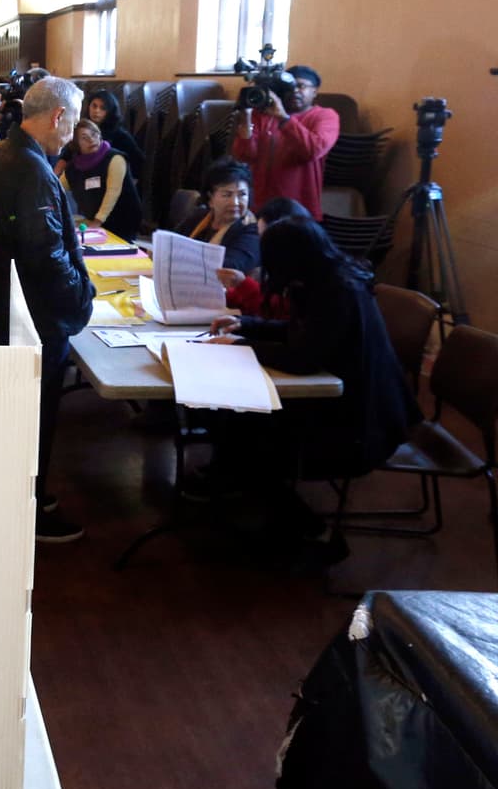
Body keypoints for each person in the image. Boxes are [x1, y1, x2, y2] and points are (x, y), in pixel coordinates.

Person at [204, 217, 419, 560]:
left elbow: (303, 357)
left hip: (361, 425)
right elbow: (300, 333)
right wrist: (246, 324)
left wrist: (243, 344)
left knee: (249, 433)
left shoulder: (338, 293)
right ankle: (250, 499)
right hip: (350, 404)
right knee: (237, 421)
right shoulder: (323, 279)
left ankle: (312, 532)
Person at [0, 76, 95, 543]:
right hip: (34, 317)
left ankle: (32, 494)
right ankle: (30, 512)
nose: (72, 133)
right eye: (73, 121)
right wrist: (79, 302)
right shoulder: (31, 168)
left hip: (8, 308)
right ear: (59, 117)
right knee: (35, 419)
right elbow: (46, 253)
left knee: (23, 419)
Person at [230, 64, 339, 219]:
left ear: (315, 91)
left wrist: (284, 118)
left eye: (301, 86)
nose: (295, 91)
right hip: (260, 206)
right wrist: (246, 117)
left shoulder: (325, 116)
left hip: (300, 209)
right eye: (290, 87)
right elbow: (244, 155)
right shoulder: (264, 116)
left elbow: (313, 149)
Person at [216, 196, 311, 315]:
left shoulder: (308, 276)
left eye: (266, 239)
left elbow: (279, 312)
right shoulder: (276, 265)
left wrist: (243, 285)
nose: (260, 245)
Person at [62, 119, 143, 243]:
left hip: (122, 222)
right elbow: (56, 188)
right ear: (76, 144)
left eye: (94, 134)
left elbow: (112, 193)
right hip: (95, 223)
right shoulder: (73, 168)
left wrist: (97, 222)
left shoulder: (115, 159)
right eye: (84, 137)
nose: (91, 140)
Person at [175, 156, 259, 273]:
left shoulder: (250, 231)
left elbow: (230, 268)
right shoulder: (199, 217)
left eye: (242, 195)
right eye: (227, 195)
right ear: (210, 199)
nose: (235, 202)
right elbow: (172, 244)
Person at [57, 88, 143, 181]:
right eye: (94, 106)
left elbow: (138, 163)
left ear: (110, 111)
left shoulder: (120, 136)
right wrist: (54, 176)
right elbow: (66, 156)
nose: (96, 111)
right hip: (84, 177)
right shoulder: (81, 129)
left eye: (103, 108)